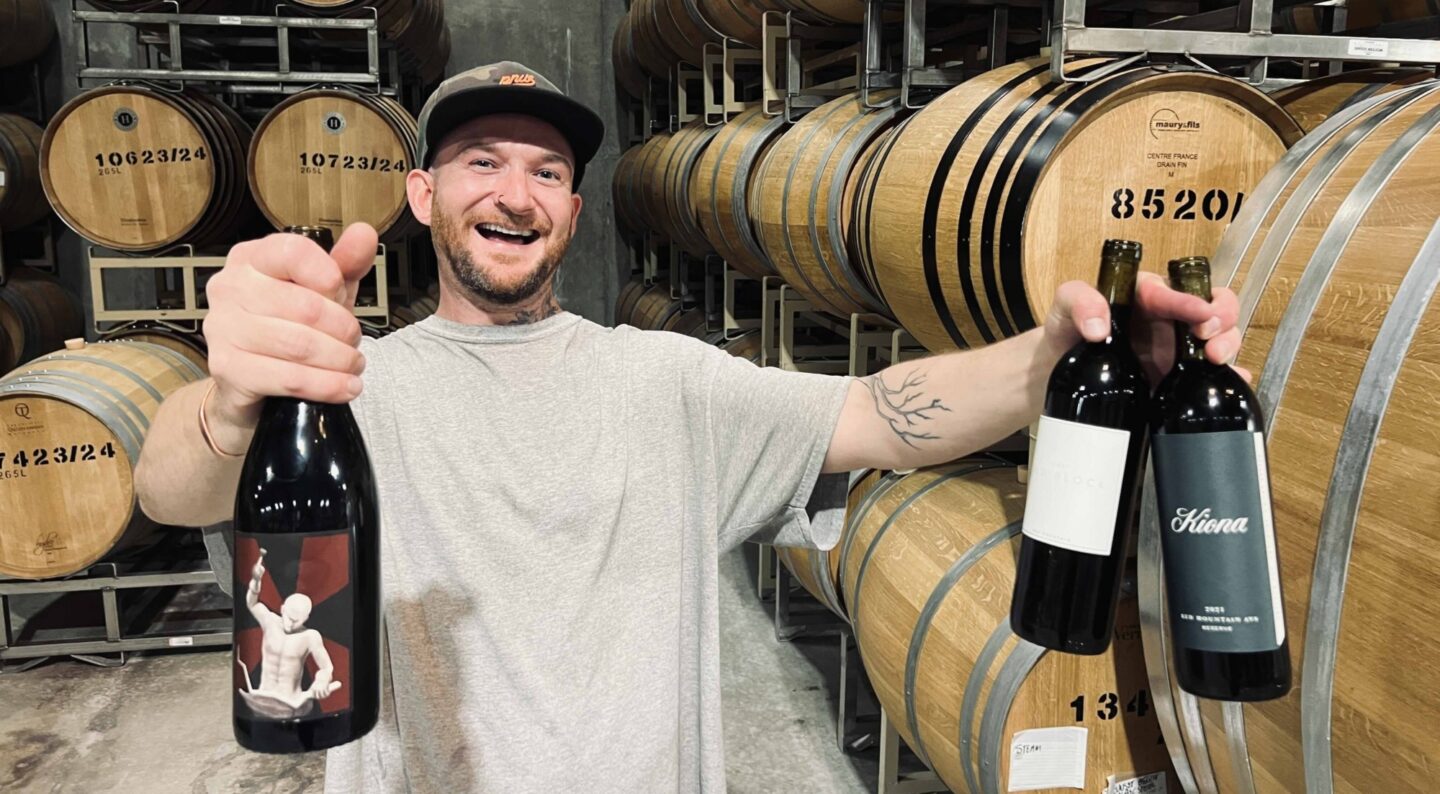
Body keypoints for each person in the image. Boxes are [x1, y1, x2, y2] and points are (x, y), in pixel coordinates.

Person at [133, 61, 1244, 792]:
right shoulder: (347, 388)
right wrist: (231, 403)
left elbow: (879, 413)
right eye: (482, 162)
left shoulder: (667, 381)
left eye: (547, 170)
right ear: (421, 195)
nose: (514, 194)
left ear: (573, 208)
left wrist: (1052, 358)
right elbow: (167, 487)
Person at [236, 548, 343, 720]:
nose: (291, 623)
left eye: (298, 620)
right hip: (262, 697)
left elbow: (327, 667)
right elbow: (252, 604)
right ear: (282, 609)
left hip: (292, 703)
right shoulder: (270, 622)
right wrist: (256, 581)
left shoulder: (310, 637)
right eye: (289, 617)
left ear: (306, 618)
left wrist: (321, 680)